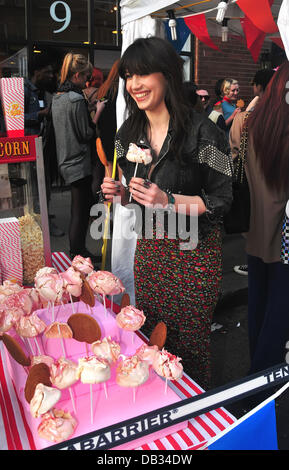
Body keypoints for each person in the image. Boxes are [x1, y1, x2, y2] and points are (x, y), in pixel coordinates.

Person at [101, 37, 233, 389]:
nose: (134, 84)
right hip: (151, 252)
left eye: (143, 74)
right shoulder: (124, 134)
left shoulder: (206, 133)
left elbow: (224, 198)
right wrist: (120, 194)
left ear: (168, 75)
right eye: (128, 76)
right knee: (152, 337)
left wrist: (170, 201)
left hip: (194, 256)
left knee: (189, 346)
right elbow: (132, 193)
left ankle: (193, 415)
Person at [243, 62, 289, 376]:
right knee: (280, 313)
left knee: (259, 307)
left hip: (256, 232)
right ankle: (264, 385)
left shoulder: (251, 123)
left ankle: (256, 380)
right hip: (283, 237)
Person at [51, 53, 99, 263]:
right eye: (86, 77)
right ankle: (78, 254)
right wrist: (97, 113)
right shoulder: (77, 98)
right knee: (80, 212)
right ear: (77, 75)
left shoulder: (58, 96)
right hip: (79, 162)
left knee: (77, 209)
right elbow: (85, 133)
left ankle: (78, 252)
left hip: (65, 159)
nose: (87, 81)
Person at [230, 68, 276, 277]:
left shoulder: (245, 120)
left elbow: (233, 151)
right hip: (278, 194)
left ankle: (256, 267)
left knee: (256, 239)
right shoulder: (281, 117)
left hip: (251, 190)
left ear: (258, 86)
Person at [24, 52, 64, 237]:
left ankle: (45, 223)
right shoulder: (23, 90)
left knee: (45, 189)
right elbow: (12, 119)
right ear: (37, 71)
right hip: (29, 150)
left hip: (45, 149)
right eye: (47, 72)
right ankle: (38, 227)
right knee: (34, 191)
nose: (51, 76)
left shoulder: (45, 92)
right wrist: (39, 115)